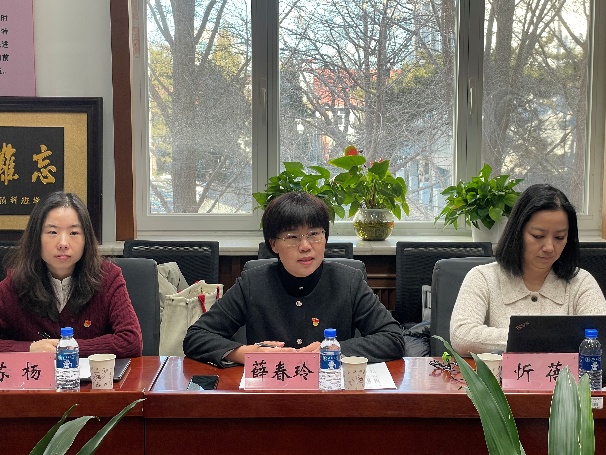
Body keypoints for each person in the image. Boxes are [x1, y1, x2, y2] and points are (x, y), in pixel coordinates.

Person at [183, 191, 405, 366]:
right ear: (273, 244)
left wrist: (334, 351)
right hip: (270, 393)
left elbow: (393, 338)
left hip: (328, 390)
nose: (305, 246)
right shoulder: (253, 284)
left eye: (314, 234)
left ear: (325, 238)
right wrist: (245, 353)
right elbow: (197, 336)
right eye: (292, 237)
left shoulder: (348, 282)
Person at [450, 184, 606, 356]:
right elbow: (462, 336)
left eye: (559, 237)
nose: (549, 247)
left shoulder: (581, 281)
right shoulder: (483, 278)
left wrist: (527, 339)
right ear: (517, 233)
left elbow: (601, 337)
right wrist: (532, 337)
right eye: (538, 236)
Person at [0, 191, 142, 357]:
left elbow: (131, 341)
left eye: (74, 233)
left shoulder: (108, 277)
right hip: (37, 374)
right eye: (52, 232)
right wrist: (30, 349)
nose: (63, 243)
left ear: (86, 239)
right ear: (35, 237)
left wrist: (66, 348)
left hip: (94, 375)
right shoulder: (14, 284)